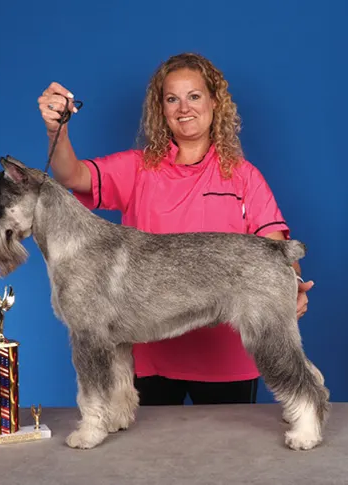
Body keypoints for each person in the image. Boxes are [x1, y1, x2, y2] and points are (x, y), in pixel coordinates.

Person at [36, 52, 314, 406]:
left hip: (227, 362)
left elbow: (275, 251)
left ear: (215, 103)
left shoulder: (244, 176)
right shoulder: (136, 169)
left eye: (194, 96)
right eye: (172, 99)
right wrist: (54, 130)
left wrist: (290, 285)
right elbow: (70, 175)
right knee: (151, 457)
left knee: (233, 457)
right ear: (161, 109)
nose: (184, 107)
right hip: (150, 359)